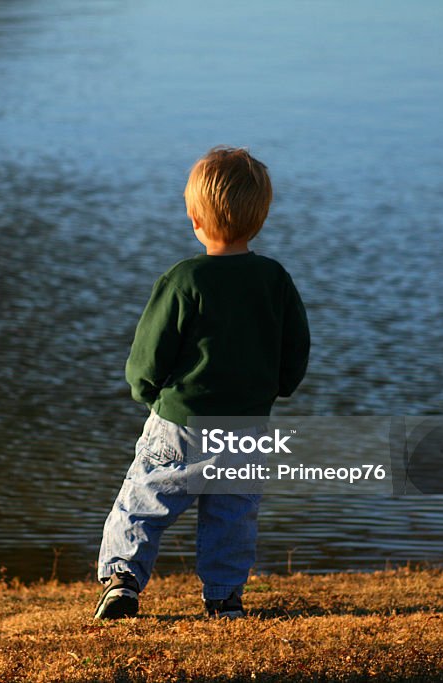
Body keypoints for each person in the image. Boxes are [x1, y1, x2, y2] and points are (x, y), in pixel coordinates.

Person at [94, 146, 310, 619]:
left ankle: (122, 580)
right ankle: (225, 596)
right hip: (248, 424)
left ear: (194, 217)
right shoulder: (274, 279)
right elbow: (296, 349)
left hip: (180, 422)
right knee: (232, 515)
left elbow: (148, 354)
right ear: (260, 217)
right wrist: (277, 387)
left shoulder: (183, 278)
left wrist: (147, 392)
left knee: (145, 500)